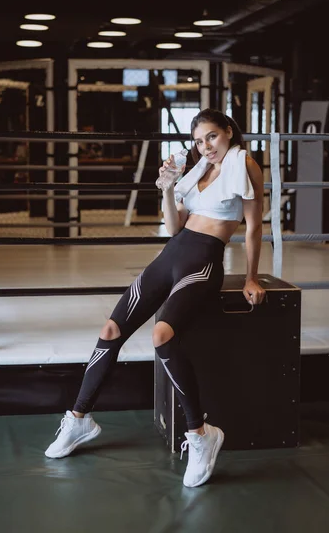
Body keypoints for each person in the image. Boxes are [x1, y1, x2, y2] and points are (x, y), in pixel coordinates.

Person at [45, 109, 266, 488]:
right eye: (199, 140)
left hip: (202, 262)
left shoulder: (242, 162)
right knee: (111, 328)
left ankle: (201, 435)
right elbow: (173, 226)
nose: (206, 146)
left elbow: (254, 224)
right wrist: (167, 187)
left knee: (161, 336)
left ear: (228, 132)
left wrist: (250, 277)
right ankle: (79, 419)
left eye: (212, 136)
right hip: (171, 256)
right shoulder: (197, 171)